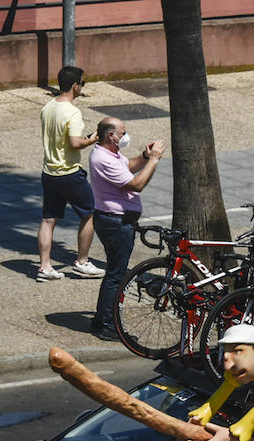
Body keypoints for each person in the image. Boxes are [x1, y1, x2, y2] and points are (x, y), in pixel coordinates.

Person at [87, 117, 166, 341]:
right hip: (116, 223)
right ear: (110, 136)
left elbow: (128, 166)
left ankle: (102, 319)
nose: (125, 136)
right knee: (116, 275)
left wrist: (143, 157)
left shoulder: (109, 154)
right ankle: (107, 326)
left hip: (116, 221)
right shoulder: (103, 158)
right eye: (122, 133)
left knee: (114, 273)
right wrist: (154, 160)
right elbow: (136, 184)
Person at [36, 66, 102, 282]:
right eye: (82, 83)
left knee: (48, 220)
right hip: (69, 173)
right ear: (75, 86)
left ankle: (45, 267)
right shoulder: (72, 112)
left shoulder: (47, 107)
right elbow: (74, 143)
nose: (82, 87)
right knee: (89, 213)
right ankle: (82, 262)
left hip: (49, 172)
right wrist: (91, 139)